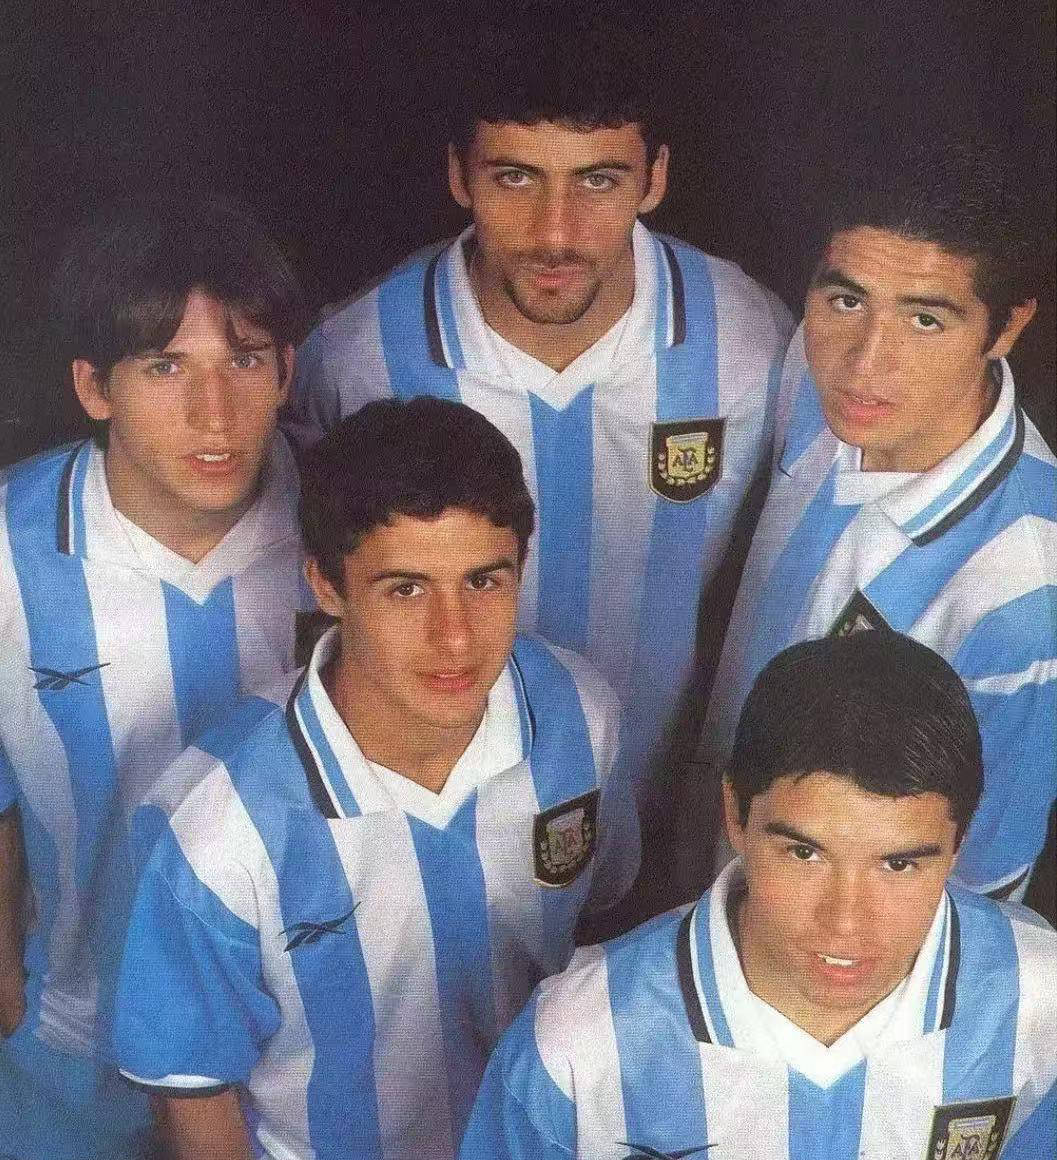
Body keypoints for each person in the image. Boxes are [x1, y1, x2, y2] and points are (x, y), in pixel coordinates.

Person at [284, 19, 793, 910]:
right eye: (514, 178)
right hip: (424, 849)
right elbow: (310, 607)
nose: (555, 233)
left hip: (667, 836)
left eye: (598, 180)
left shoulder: (746, 338)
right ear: (459, 176)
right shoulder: (356, 359)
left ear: (654, 178)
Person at [113, 397, 640, 1160]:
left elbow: (607, 935)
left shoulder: (580, 715)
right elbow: (194, 1093)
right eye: (405, 589)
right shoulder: (216, 827)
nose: (454, 637)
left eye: (483, 582)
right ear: (327, 587)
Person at [461, 631, 1057, 1159]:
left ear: (958, 845)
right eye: (805, 854)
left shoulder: (1040, 1001)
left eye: (898, 864)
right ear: (735, 816)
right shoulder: (577, 1046)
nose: (845, 923)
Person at [0, 197, 309, 1159]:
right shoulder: (7, 549)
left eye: (243, 361)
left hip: (292, 1060)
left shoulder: (352, 534)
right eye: (165, 367)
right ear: (94, 387)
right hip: (70, 1047)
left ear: (287, 369)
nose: (214, 414)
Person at [698, 136, 1055, 903]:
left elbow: (975, 897)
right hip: (703, 866)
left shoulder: (1027, 594)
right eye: (846, 301)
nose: (863, 363)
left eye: (924, 320)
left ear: (1005, 328)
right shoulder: (815, 376)